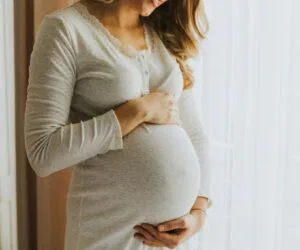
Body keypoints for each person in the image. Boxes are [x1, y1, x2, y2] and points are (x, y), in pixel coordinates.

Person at [24, 0, 213, 249]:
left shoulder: (162, 31)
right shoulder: (66, 30)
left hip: (167, 241)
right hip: (107, 234)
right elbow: (43, 152)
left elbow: (196, 135)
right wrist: (135, 112)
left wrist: (199, 212)